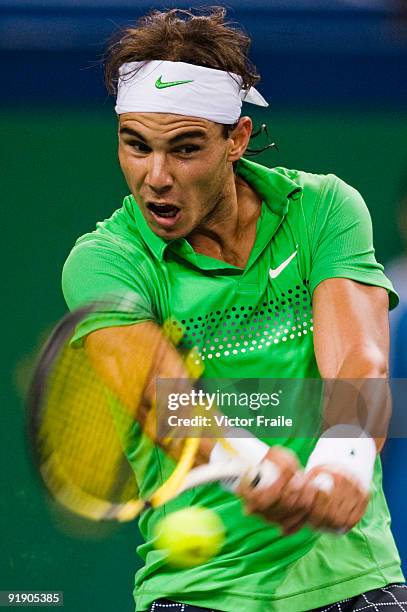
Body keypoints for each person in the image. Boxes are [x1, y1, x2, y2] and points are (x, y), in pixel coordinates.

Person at [61, 7, 405, 612]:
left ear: (236, 139)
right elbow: (156, 396)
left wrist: (344, 462)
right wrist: (251, 467)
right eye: (135, 145)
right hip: (200, 594)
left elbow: (359, 357)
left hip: (357, 580)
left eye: (185, 148)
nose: (155, 177)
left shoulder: (323, 208)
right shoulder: (104, 260)